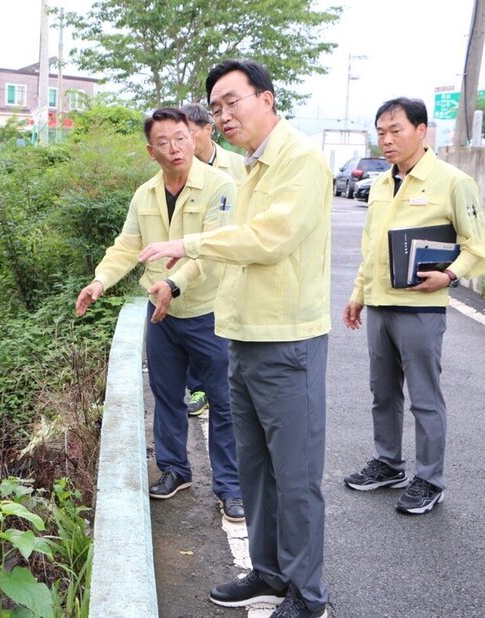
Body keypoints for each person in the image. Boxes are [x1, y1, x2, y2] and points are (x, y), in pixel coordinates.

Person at [139, 59, 332, 618]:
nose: (222, 116)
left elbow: (267, 240)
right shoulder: (252, 168)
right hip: (243, 336)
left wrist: (188, 245)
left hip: (287, 340)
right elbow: (234, 239)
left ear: (267, 99)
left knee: (295, 477)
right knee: (256, 469)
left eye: (232, 102)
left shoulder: (300, 161)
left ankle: (308, 593)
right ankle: (270, 573)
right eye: (215, 108)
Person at [75, 107, 244, 521]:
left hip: (209, 311)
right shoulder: (145, 194)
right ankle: (174, 469)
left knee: (224, 402)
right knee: (167, 397)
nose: (175, 148)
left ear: (194, 138)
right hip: (161, 315)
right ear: (152, 151)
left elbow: (213, 250)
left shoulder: (221, 187)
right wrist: (100, 281)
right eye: (164, 142)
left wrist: (174, 284)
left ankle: (231, 487)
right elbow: (126, 246)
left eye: (181, 138)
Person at [342, 97, 485, 515]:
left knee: (425, 398)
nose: (387, 140)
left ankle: (430, 479)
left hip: (421, 309)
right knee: (383, 393)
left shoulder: (452, 181)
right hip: (379, 305)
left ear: (421, 131)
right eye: (381, 132)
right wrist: (358, 295)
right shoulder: (380, 184)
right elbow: (370, 249)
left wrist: (449, 275)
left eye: (396, 131)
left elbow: (479, 247)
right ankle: (389, 464)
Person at [179, 103, 248, 418]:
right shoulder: (180, 169)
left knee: (225, 338)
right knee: (198, 330)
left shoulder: (238, 166)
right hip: (194, 262)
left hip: (232, 262)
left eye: (190, 133)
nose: (185, 142)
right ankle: (199, 389)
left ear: (208, 129)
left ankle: (226, 391)